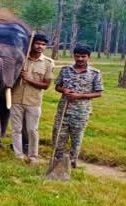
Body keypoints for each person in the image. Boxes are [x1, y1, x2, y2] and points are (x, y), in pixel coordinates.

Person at [51, 45, 103, 169]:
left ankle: (72, 162)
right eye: (77, 56)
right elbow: (57, 86)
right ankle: (57, 162)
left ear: (88, 57)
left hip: (81, 112)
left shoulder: (95, 73)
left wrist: (79, 96)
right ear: (74, 56)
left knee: (76, 138)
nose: (80, 59)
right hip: (64, 109)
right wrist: (63, 90)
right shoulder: (65, 70)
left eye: (83, 56)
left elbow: (98, 92)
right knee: (58, 136)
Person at [10, 33, 54, 162]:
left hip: (33, 101)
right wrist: (18, 75)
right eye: (37, 43)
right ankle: (18, 155)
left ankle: (33, 156)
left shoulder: (48, 63)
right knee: (16, 129)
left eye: (43, 44)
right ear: (32, 44)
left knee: (32, 129)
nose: (40, 46)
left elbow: (46, 85)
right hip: (16, 99)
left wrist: (28, 79)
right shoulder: (20, 59)